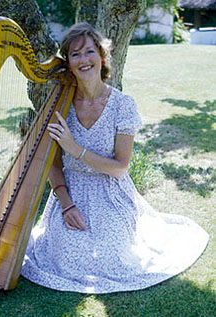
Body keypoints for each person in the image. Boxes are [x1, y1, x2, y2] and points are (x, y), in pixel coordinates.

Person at [21, 22, 209, 293]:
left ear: (102, 56)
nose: (83, 59)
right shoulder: (60, 103)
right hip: (70, 192)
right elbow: (52, 162)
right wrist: (65, 204)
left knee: (112, 255)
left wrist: (75, 149)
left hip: (111, 192)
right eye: (75, 54)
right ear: (68, 64)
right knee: (63, 255)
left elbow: (120, 168)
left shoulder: (122, 105)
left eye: (89, 52)